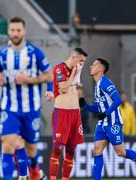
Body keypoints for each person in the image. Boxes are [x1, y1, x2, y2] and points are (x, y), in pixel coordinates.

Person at [0, 31, 53, 180]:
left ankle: (30, 174)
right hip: (11, 110)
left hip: (28, 110)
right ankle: (28, 175)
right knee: (16, 144)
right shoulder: (2, 62)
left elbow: (48, 75)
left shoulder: (30, 64)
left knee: (22, 145)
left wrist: (50, 90)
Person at [79, 57, 136, 179]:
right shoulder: (97, 86)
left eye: (94, 65)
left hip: (113, 122)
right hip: (103, 123)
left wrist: (106, 113)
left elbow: (117, 100)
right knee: (97, 151)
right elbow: (98, 107)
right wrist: (85, 106)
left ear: (101, 69)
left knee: (120, 152)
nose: (91, 67)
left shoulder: (105, 83)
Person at [49, 48, 88, 180]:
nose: (82, 64)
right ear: (74, 58)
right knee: (58, 148)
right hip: (62, 113)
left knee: (71, 150)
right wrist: (74, 74)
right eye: (81, 60)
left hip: (75, 115)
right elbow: (64, 88)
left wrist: (76, 75)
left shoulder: (76, 71)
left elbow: (74, 90)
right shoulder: (60, 68)